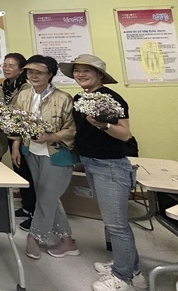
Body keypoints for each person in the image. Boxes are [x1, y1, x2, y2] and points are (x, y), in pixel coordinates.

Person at [60, 54, 146, 291]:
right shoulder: (80, 98)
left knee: (116, 224)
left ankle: (123, 278)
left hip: (110, 166)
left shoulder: (111, 98)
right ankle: (131, 268)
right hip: (91, 163)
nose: (80, 74)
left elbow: (125, 134)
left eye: (86, 70)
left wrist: (104, 124)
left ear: (99, 74)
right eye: (77, 70)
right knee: (113, 222)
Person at [11, 55, 78, 260]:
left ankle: (35, 236)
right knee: (47, 197)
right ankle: (67, 241)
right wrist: (16, 145)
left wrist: (51, 137)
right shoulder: (23, 95)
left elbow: (71, 129)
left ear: (50, 74)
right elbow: (17, 121)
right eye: (30, 72)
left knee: (47, 197)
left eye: (39, 72)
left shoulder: (63, 98)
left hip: (57, 154)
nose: (34, 76)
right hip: (31, 151)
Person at [3, 52, 37, 228]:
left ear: (21, 69)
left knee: (28, 173)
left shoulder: (25, 88)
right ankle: (26, 206)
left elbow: (23, 116)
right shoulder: (7, 85)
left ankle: (34, 213)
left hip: (23, 137)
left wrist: (16, 143)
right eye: (5, 65)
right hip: (11, 133)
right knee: (20, 171)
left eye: (11, 66)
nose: (6, 68)